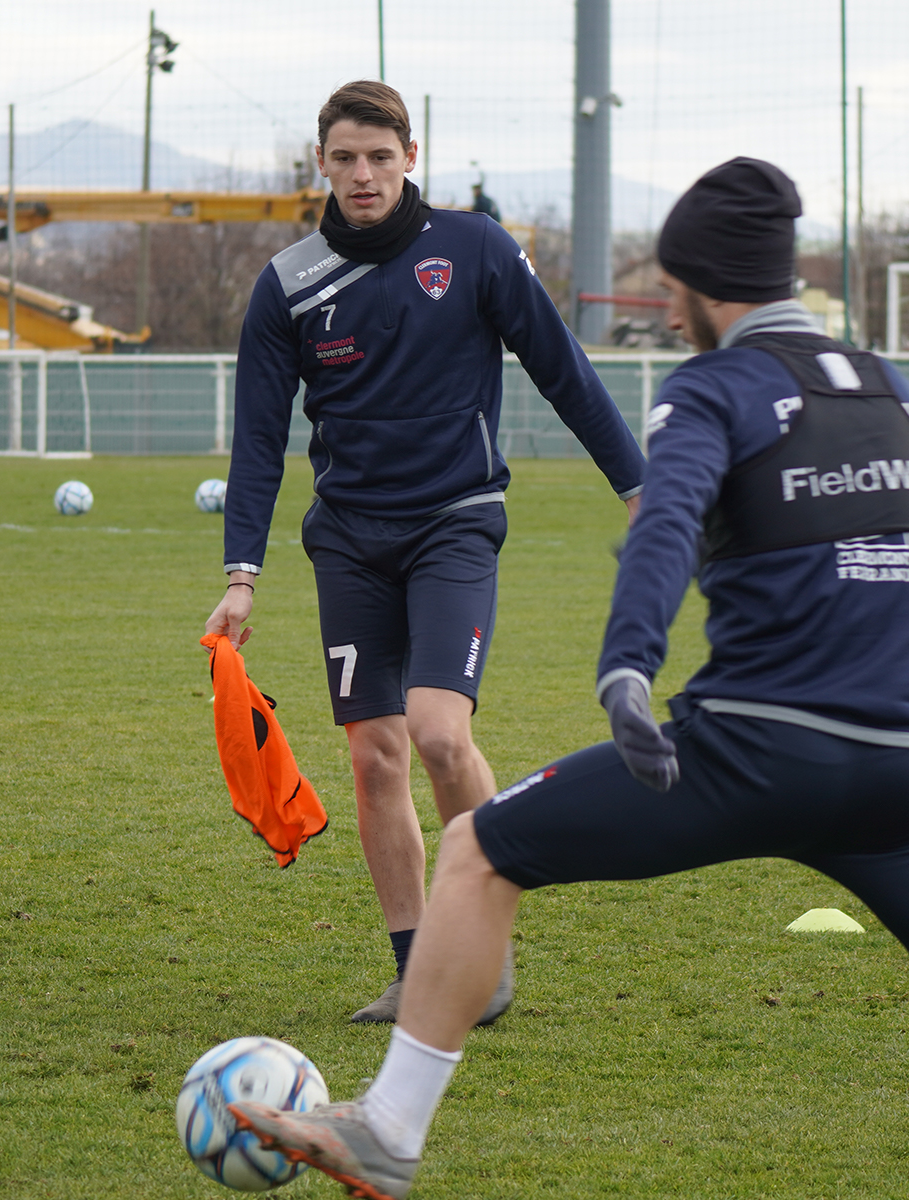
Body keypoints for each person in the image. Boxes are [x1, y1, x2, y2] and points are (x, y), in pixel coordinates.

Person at [228, 158, 909, 1200]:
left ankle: (390, 1131)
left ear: (708, 285)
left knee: (476, 850)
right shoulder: (884, 386)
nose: (671, 314)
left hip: (751, 750)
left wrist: (627, 666)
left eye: (674, 288)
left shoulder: (713, 389)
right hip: (899, 772)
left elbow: (661, 529)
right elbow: (898, 565)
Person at [204, 81, 645, 1024]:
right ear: (320, 165)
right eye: (344, 158)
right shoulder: (288, 283)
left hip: (454, 521)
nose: (362, 175)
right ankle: (419, 968)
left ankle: (481, 943)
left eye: (379, 155)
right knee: (373, 757)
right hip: (350, 542)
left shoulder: (475, 249)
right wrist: (243, 574)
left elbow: (564, 372)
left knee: (443, 734)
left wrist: (641, 488)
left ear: (412, 157)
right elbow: (255, 439)